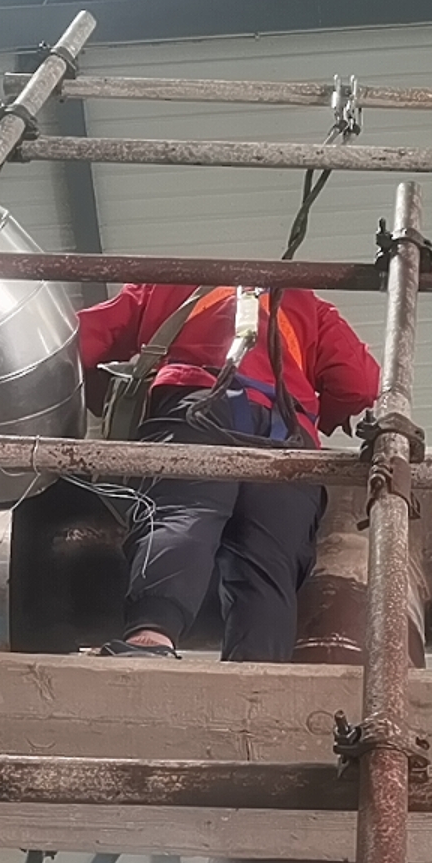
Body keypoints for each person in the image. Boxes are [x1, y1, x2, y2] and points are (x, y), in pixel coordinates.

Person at [76, 283, 380, 661]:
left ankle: (151, 640)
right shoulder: (311, 307)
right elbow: (360, 385)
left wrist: (97, 395)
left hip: (197, 408)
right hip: (287, 435)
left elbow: (80, 340)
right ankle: (256, 674)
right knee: (268, 562)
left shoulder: (166, 284)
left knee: (184, 513)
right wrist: (321, 417)